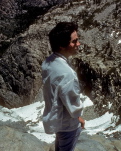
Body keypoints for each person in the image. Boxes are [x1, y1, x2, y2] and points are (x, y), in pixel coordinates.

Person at [42, 22, 85, 151]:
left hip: (57, 120)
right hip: (68, 125)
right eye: (74, 41)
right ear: (62, 45)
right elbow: (73, 106)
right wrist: (79, 117)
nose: (78, 44)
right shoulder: (67, 74)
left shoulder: (48, 62)